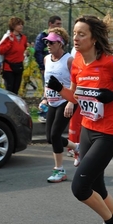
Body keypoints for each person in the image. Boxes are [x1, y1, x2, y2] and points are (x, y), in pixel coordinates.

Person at [47, 14, 113, 224]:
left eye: (81, 34)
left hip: (108, 132)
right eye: (75, 33)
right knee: (97, 186)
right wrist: (60, 90)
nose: (76, 38)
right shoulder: (77, 60)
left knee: (80, 187)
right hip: (88, 128)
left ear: (94, 38)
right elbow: (75, 98)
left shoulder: (110, 62)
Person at [39, 27, 79, 183]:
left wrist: (71, 101)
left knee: (55, 134)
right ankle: (77, 147)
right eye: (47, 42)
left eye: (52, 42)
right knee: (50, 138)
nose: (48, 45)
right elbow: (47, 82)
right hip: (52, 102)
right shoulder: (46, 59)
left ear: (60, 43)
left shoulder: (69, 60)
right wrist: (44, 98)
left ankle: (59, 170)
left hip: (67, 101)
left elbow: (77, 83)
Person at [0, 17, 27, 95]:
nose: (21, 26)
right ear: (13, 26)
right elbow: (1, 50)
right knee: (9, 89)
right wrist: (9, 43)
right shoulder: (8, 37)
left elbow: (24, 47)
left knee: (16, 89)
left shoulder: (23, 38)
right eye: (18, 24)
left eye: (21, 24)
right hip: (9, 67)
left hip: (19, 65)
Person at [35, 16, 63, 84]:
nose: (59, 26)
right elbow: (38, 52)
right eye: (57, 24)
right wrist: (42, 67)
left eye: (60, 24)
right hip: (47, 66)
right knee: (47, 85)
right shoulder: (42, 36)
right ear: (50, 24)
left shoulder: (61, 36)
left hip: (59, 66)